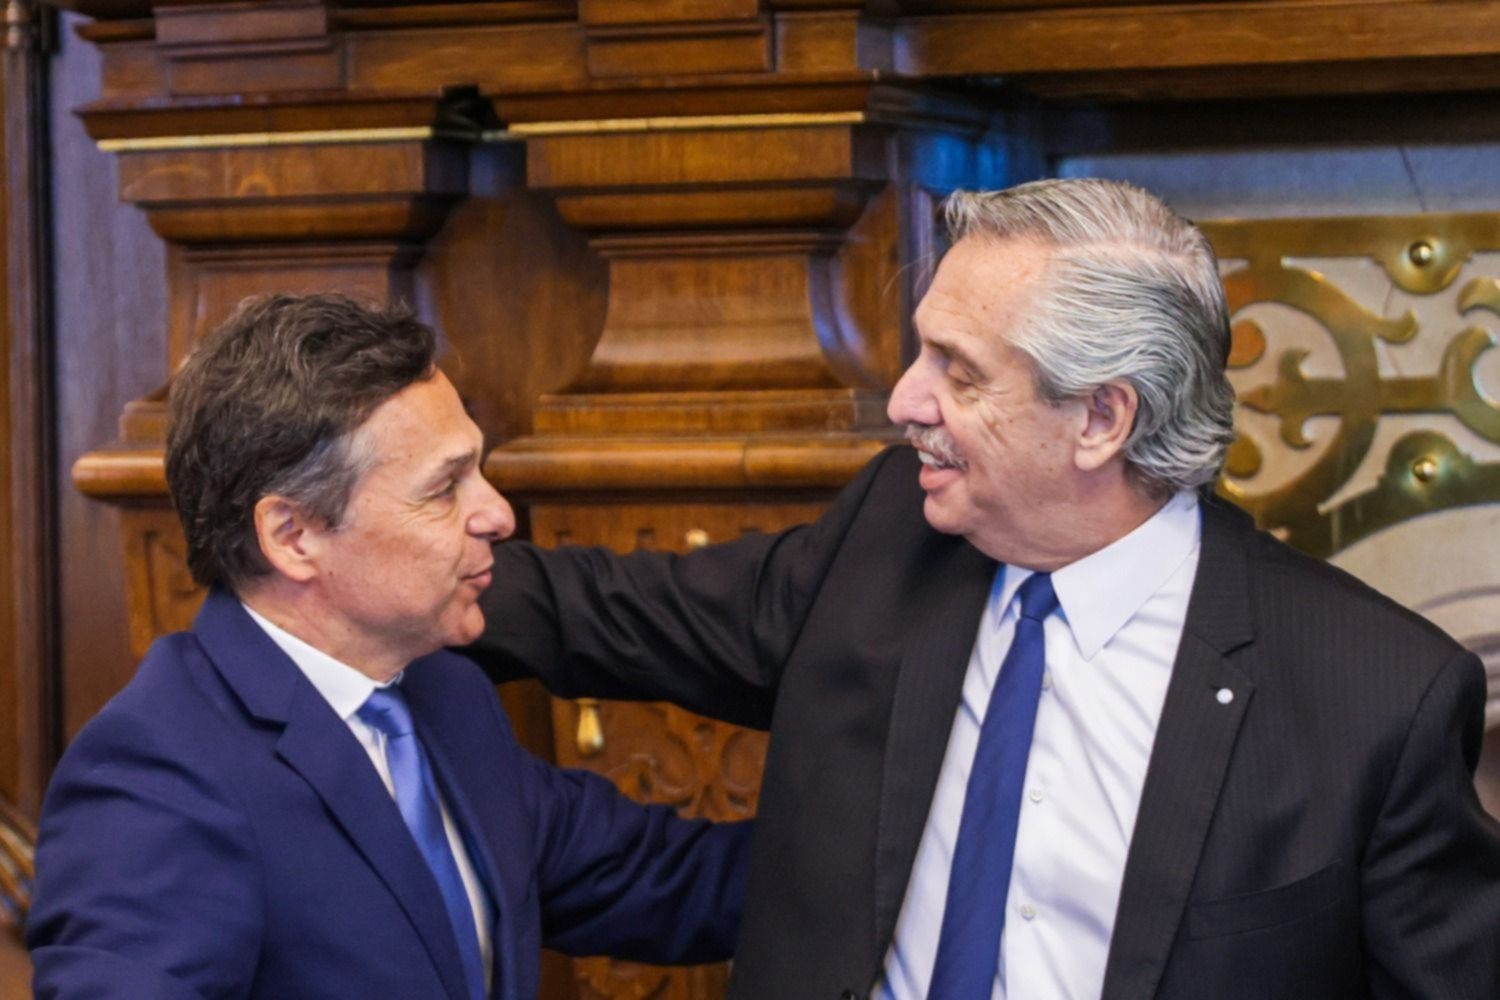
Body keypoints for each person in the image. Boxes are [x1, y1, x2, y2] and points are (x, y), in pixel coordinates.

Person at [468, 178, 1500, 999]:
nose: (904, 399)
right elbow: (607, 613)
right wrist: (411, 574)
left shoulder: (1376, 696)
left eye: (958, 372)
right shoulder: (889, 537)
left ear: (1100, 419)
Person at [26, 294, 750, 1000]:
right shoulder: (157, 776)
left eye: (478, 472)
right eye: (445, 488)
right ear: (293, 536)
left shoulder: (445, 692)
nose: (498, 513)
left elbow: (665, 881)